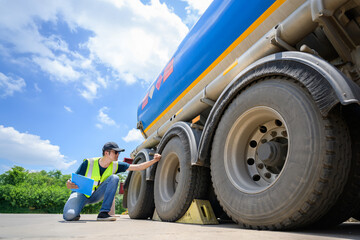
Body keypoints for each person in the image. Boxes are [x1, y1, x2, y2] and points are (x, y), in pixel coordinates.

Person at [63, 141, 161, 221]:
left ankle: (103, 213)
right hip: (81, 194)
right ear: (107, 153)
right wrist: (69, 184)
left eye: (118, 152)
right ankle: (76, 210)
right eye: (115, 152)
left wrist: (154, 160)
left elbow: (138, 167)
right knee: (69, 216)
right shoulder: (88, 163)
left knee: (114, 178)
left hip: (96, 195)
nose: (118, 154)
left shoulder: (116, 165)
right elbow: (71, 182)